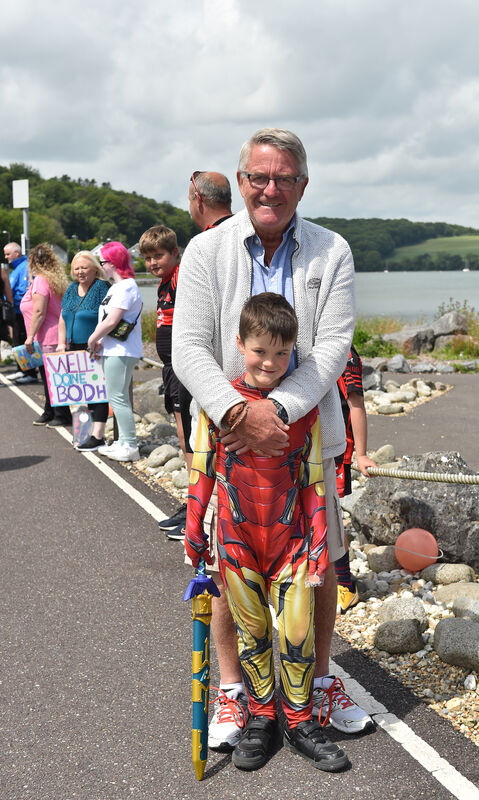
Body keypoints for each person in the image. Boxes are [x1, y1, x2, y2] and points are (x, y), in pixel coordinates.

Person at [173, 128, 372, 755]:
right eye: (259, 177)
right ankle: (237, 690)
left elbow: (334, 346)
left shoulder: (331, 250)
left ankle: (314, 687)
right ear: (241, 183)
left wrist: (278, 411)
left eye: (284, 178)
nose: (270, 188)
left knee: (314, 570)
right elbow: (188, 347)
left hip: (310, 439)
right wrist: (239, 413)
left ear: (302, 186)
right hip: (230, 440)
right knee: (237, 569)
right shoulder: (206, 251)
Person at [185, 293, 348, 772]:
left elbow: (316, 480)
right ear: (239, 345)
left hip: (292, 540)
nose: (270, 363)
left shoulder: (304, 410)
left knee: (295, 634)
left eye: (282, 354)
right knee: (253, 633)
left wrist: (320, 546)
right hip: (237, 542)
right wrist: (193, 533)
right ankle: (260, 718)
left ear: (294, 352)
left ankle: (299, 722)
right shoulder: (218, 407)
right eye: (259, 352)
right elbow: (201, 470)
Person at [138, 225, 193, 538]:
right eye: (147, 258)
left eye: (158, 255)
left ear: (175, 253)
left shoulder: (179, 276)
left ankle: (198, 510)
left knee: (189, 440)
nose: (152, 262)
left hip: (183, 367)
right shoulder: (162, 284)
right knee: (183, 438)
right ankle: (192, 503)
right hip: (169, 368)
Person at [87, 242, 142, 462]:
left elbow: (112, 320)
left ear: (113, 263)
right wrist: (99, 339)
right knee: (116, 396)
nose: (101, 267)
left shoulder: (127, 286)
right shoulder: (116, 287)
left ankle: (129, 444)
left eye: (103, 262)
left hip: (122, 349)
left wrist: (93, 338)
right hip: (114, 348)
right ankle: (123, 442)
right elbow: (108, 320)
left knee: (118, 397)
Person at [334, 346, 377, 613]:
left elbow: (356, 403)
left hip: (336, 449)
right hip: (306, 443)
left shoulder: (345, 354)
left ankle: (344, 583)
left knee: (331, 514)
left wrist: (361, 454)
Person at [57, 251, 110, 450]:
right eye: (76, 268)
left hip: (95, 347)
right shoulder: (71, 289)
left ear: (95, 269)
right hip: (73, 347)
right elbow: (63, 317)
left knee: (98, 391)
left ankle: (97, 436)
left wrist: (99, 340)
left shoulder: (101, 288)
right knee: (82, 391)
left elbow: (109, 318)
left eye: (84, 267)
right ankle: (85, 432)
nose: (80, 272)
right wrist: (61, 343)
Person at [20, 244, 71, 426]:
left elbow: (39, 311)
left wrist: (30, 337)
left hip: (48, 336)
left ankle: (62, 415)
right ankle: (50, 411)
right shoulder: (54, 279)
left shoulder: (41, 281)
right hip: (53, 334)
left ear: (32, 262)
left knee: (53, 377)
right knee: (50, 376)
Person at [4, 241, 37, 384]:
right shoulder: (17, 268)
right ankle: (21, 370)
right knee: (18, 341)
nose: (6, 257)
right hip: (17, 311)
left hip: (21, 312)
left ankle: (29, 373)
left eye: (8, 254)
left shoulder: (24, 267)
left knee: (24, 341)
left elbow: (24, 291)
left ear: (17, 253)